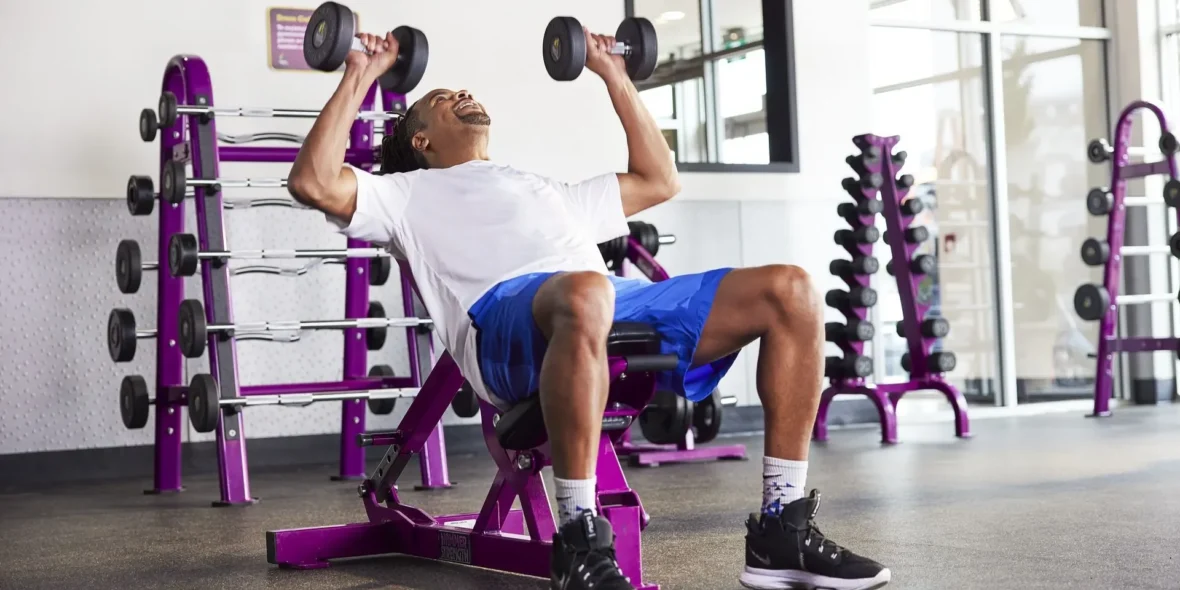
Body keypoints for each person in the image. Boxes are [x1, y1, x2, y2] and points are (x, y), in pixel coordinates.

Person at [288, 27, 891, 590]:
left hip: (602, 299)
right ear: (420, 140)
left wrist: (611, 72)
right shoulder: (400, 194)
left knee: (791, 289)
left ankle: (779, 529)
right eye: (444, 98)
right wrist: (361, 72)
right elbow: (313, 182)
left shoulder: (541, 187)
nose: (463, 95)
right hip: (504, 324)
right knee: (586, 289)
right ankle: (578, 538)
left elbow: (659, 178)